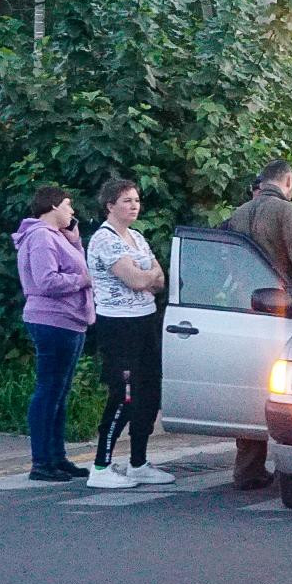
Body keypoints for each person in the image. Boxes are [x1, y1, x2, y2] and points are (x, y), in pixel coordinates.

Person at [222, 159, 292, 490]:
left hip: (246, 309)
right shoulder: (288, 213)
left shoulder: (237, 215)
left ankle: (248, 469)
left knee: (250, 385)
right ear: (288, 182)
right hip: (286, 310)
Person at [85, 177, 175, 489]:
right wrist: (145, 276)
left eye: (136, 200)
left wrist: (146, 276)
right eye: (126, 201)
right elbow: (136, 280)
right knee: (123, 395)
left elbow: (159, 278)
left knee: (149, 393)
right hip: (118, 325)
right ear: (110, 206)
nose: (134, 205)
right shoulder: (105, 240)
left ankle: (138, 461)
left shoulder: (136, 237)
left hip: (145, 320)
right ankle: (101, 465)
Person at [13, 186, 95, 482]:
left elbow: (75, 263)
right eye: (68, 205)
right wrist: (83, 279)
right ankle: (42, 461)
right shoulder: (41, 237)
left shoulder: (58, 237)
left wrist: (74, 240)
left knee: (59, 391)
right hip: (52, 320)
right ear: (53, 206)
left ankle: (57, 457)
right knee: (49, 389)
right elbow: (46, 280)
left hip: (70, 319)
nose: (72, 212)